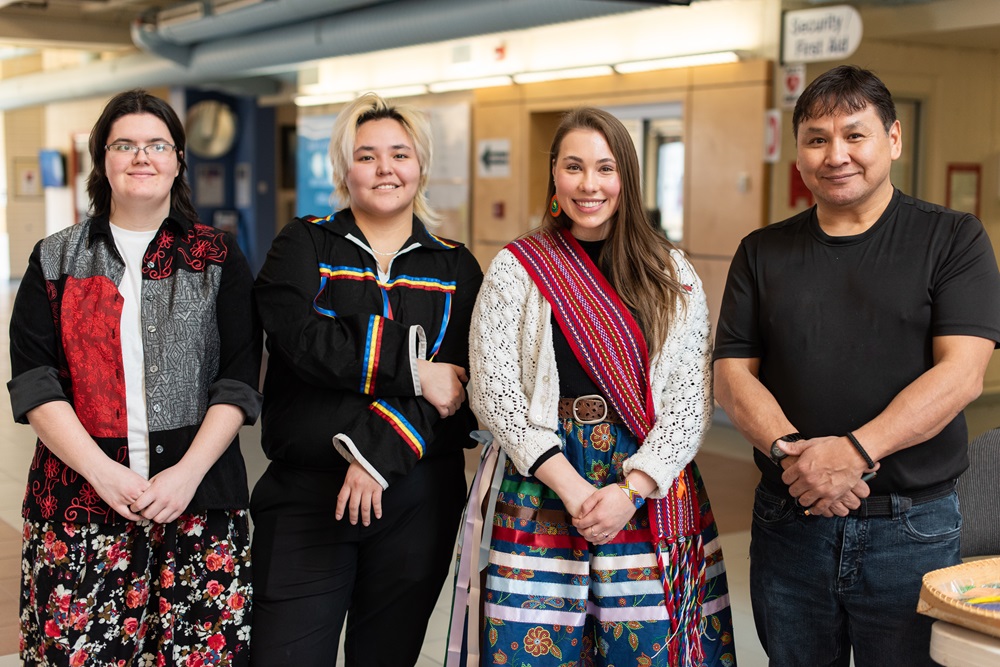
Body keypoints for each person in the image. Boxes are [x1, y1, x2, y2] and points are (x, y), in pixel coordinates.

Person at [714, 64, 1000, 667]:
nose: (835, 154)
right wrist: (798, 459)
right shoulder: (762, 251)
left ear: (892, 139)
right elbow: (733, 376)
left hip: (911, 528)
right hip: (789, 520)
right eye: (817, 138)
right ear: (798, 154)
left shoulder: (953, 239)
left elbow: (962, 374)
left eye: (855, 134)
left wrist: (853, 453)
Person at [453, 107, 735, 667]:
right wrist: (574, 488)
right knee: (534, 647)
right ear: (554, 174)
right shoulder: (518, 267)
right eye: (574, 167)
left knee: (649, 648)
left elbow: (688, 400)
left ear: (626, 178)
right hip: (544, 478)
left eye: (605, 169)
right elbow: (494, 392)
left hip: (648, 484)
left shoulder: (671, 272)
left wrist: (631, 489)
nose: (589, 185)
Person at [8, 89, 261, 666]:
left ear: (176, 160)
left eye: (156, 145)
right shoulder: (56, 258)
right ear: (103, 160)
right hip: (79, 505)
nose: (140, 156)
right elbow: (35, 383)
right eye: (124, 145)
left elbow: (239, 380)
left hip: (200, 504)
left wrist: (184, 475)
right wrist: (103, 474)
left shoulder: (217, 256)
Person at [250, 92, 483, 666]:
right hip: (308, 494)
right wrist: (413, 371)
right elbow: (301, 342)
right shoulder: (303, 243)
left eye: (400, 154)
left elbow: (457, 385)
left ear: (421, 165)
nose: (386, 169)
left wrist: (375, 454)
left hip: (416, 499)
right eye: (367, 155)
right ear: (342, 169)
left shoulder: (455, 265)